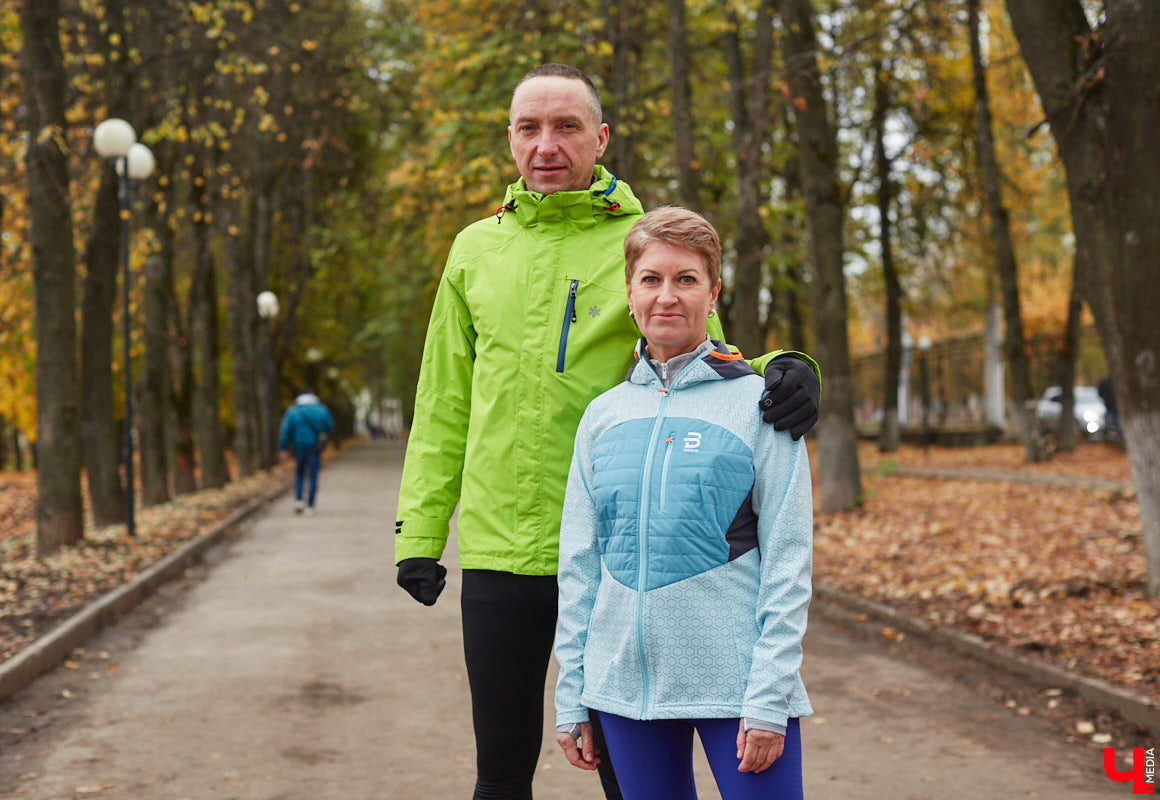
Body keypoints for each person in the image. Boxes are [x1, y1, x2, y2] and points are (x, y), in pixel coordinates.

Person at [394, 63, 820, 800]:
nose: (547, 144)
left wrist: (787, 368)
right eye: (529, 128)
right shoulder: (474, 249)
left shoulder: (641, 240)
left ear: (601, 137)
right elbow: (443, 401)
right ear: (510, 140)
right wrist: (420, 533)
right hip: (501, 550)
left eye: (566, 127)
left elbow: (702, 355)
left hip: (623, 556)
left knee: (628, 775)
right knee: (499, 769)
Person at [553, 207, 813, 799]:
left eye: (686, 279)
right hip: (624, 691)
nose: (666, 296)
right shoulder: (602, 417)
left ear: (713, 292)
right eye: (651, 279)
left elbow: (789, 557)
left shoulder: (760, 406)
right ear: (629, 293)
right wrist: (573, 692)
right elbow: (580, 565)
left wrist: (770, 695)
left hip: (739, 688)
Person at [279, 388, 334, 516]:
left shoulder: (293, 411)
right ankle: (310, 506)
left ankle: (299, 500)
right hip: (315, 447)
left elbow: (285, 431)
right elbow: (330, 426)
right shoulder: (321, 409)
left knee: (299, 473)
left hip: (298, 447)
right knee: (313, 475)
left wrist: (283, 448)